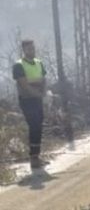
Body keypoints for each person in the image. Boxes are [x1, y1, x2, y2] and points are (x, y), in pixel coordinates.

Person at [12, 39, 46, 169]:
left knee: (39, 125)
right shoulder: (19, 65)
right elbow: (24, 85)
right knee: (34, 125)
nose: (31, 50)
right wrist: (38, 94)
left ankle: (37, 155)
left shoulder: (39, 62)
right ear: (24, 50)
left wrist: (43, 92)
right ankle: (33, 158)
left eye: (32, 48)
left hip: (37, 100)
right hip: (27, 100)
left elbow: (44, 78)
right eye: (28, 48)